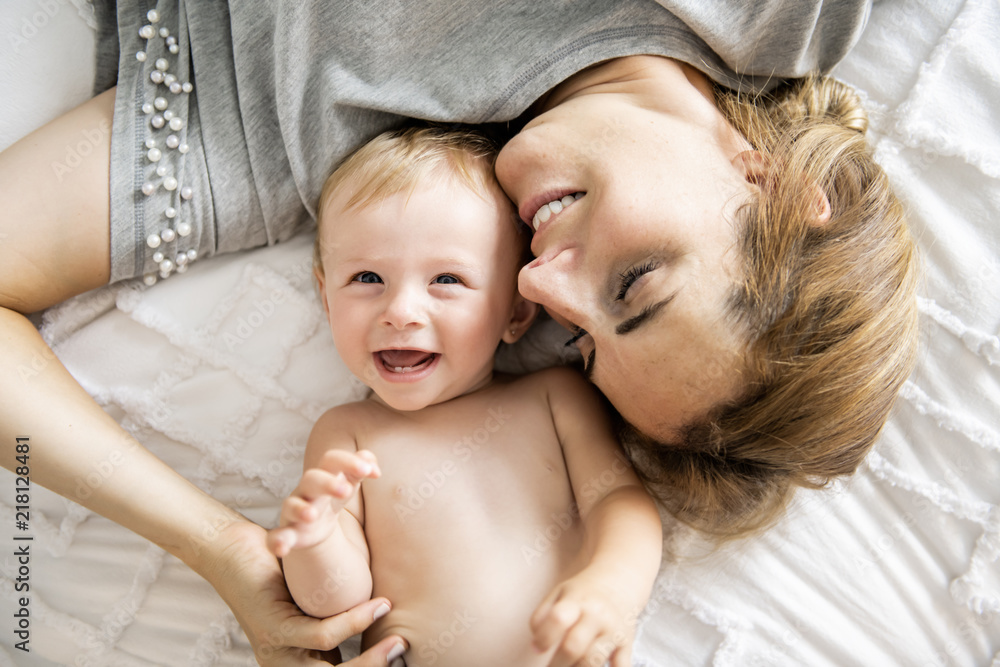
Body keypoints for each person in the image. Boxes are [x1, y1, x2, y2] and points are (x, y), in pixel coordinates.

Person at [0, 1, 917, 664]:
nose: (540, 279)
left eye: (579, 339)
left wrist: (220, 547)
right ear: (786, 190)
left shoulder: (283, 137)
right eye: (636, 284)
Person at [265, 126, 662, 667]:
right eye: (366, 277)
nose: (401, 310)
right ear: (325, 298)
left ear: (518, 312)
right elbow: (338, 603)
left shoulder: (553, 398)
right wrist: (314, 539)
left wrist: (612, 590)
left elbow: (619, 502)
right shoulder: (348, 435)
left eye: (446, 279)